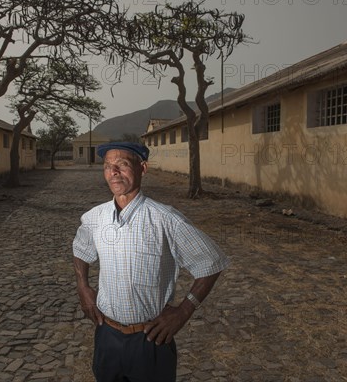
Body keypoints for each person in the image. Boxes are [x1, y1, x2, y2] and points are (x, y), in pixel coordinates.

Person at [72, 142, 230, 382]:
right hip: (106, 336)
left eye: (122, 165)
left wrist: (184, 311)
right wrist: (83, 286)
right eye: (107, 166)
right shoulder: (95, 217)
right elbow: (81, 248)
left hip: (149, 339)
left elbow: (211, 261)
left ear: (142, 168)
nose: (113, 172)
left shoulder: (165, 219)